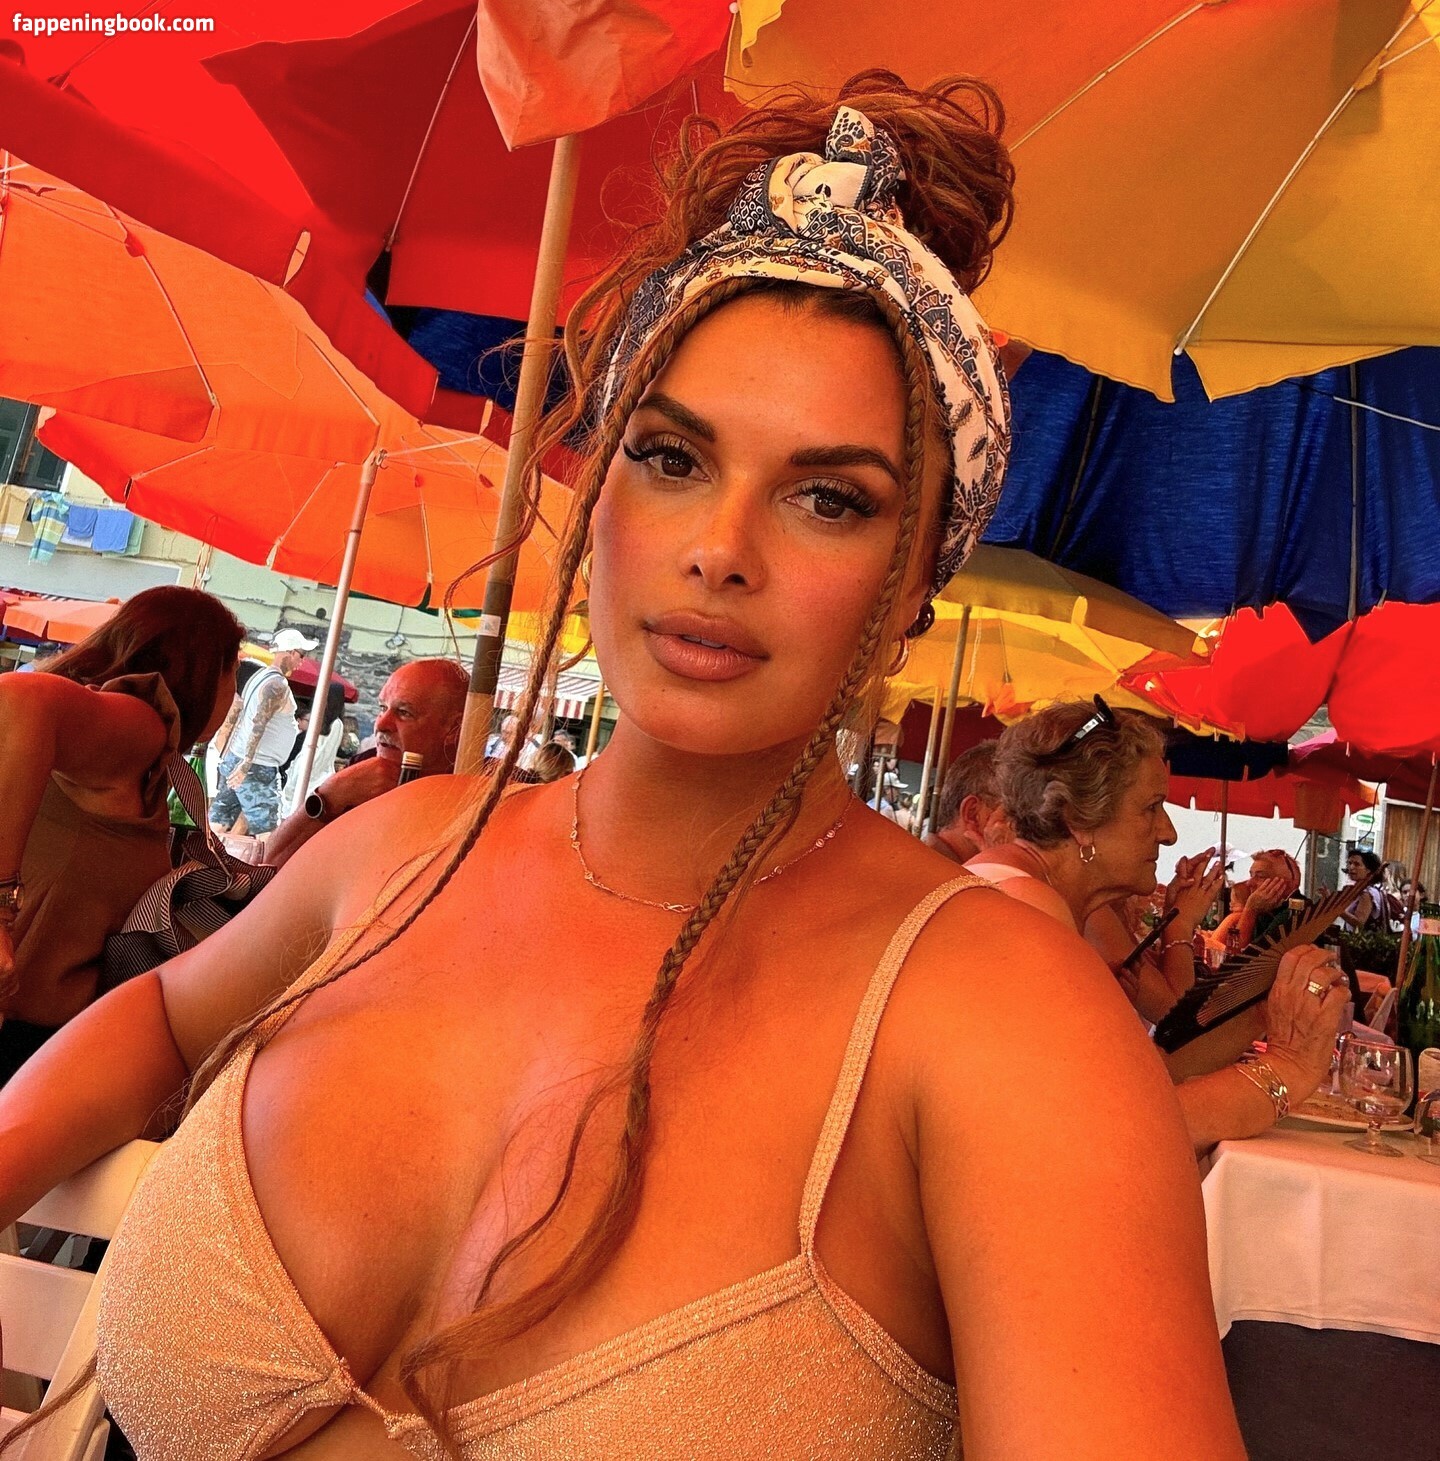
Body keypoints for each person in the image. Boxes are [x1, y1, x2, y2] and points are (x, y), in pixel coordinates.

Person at [0, 78, 1245, 1461]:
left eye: (828, 497)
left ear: (912, 590)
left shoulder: (1006, 1025)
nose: (720, 548)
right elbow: (166, 1017)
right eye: (670, 456)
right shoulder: (405, 851)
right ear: (596, 501)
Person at [973, 700, 1348, 1152]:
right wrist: (1291, 1067)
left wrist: (1266, 1013)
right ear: (1077, 821)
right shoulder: (1028, 912)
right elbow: (1121, 1124)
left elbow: (1148, 1071)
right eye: (1152, 807)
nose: (1169, 833)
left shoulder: (1025, 893)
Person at [0, 586, 242, 1080]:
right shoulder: (141, 723)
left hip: (42, 1041)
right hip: (19, 1038)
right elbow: (23, 698)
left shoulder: (147, 755)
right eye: (233, 673)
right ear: (207, 671)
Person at [264, 658, 468, 869]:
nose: (380, 724)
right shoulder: (364, 768)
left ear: (454, 729)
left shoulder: (477, 792)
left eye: (404, 713)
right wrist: (331, 794)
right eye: (382, 708)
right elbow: (268, 864)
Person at [208, 628, 313, 840]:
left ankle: (199, 855)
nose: (302, 661)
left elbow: (242, 715)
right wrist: (246, 764)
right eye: (301, 655)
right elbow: (258, 723)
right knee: (270, 834)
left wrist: (232, 756)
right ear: (291, 652)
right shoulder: (276, 684)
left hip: (241, 759)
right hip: (257, 765)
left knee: (219, 821)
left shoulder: (261, 676)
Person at [924, 740, 1009, 863]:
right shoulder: (933, 869)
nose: (1027, 833)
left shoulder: (927, 858)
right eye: (1017, 817)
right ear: (973, 814)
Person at [1211, 847, 1302, 951]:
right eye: (1251, 875)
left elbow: (1244, 954)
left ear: (1283, 883)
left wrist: (1250, 909)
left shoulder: (1294, 914)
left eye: (1260, 876)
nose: (1249, 883)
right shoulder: (1267, 909)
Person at [1339, 848, 1385, 930]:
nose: (1351, 867)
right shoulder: (1359, 890)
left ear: (1368, 870)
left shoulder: (1367, 893)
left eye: (1357, 864)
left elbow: (1359, 923)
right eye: (1349, 863)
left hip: (1361, 938)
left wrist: (1337, 910)